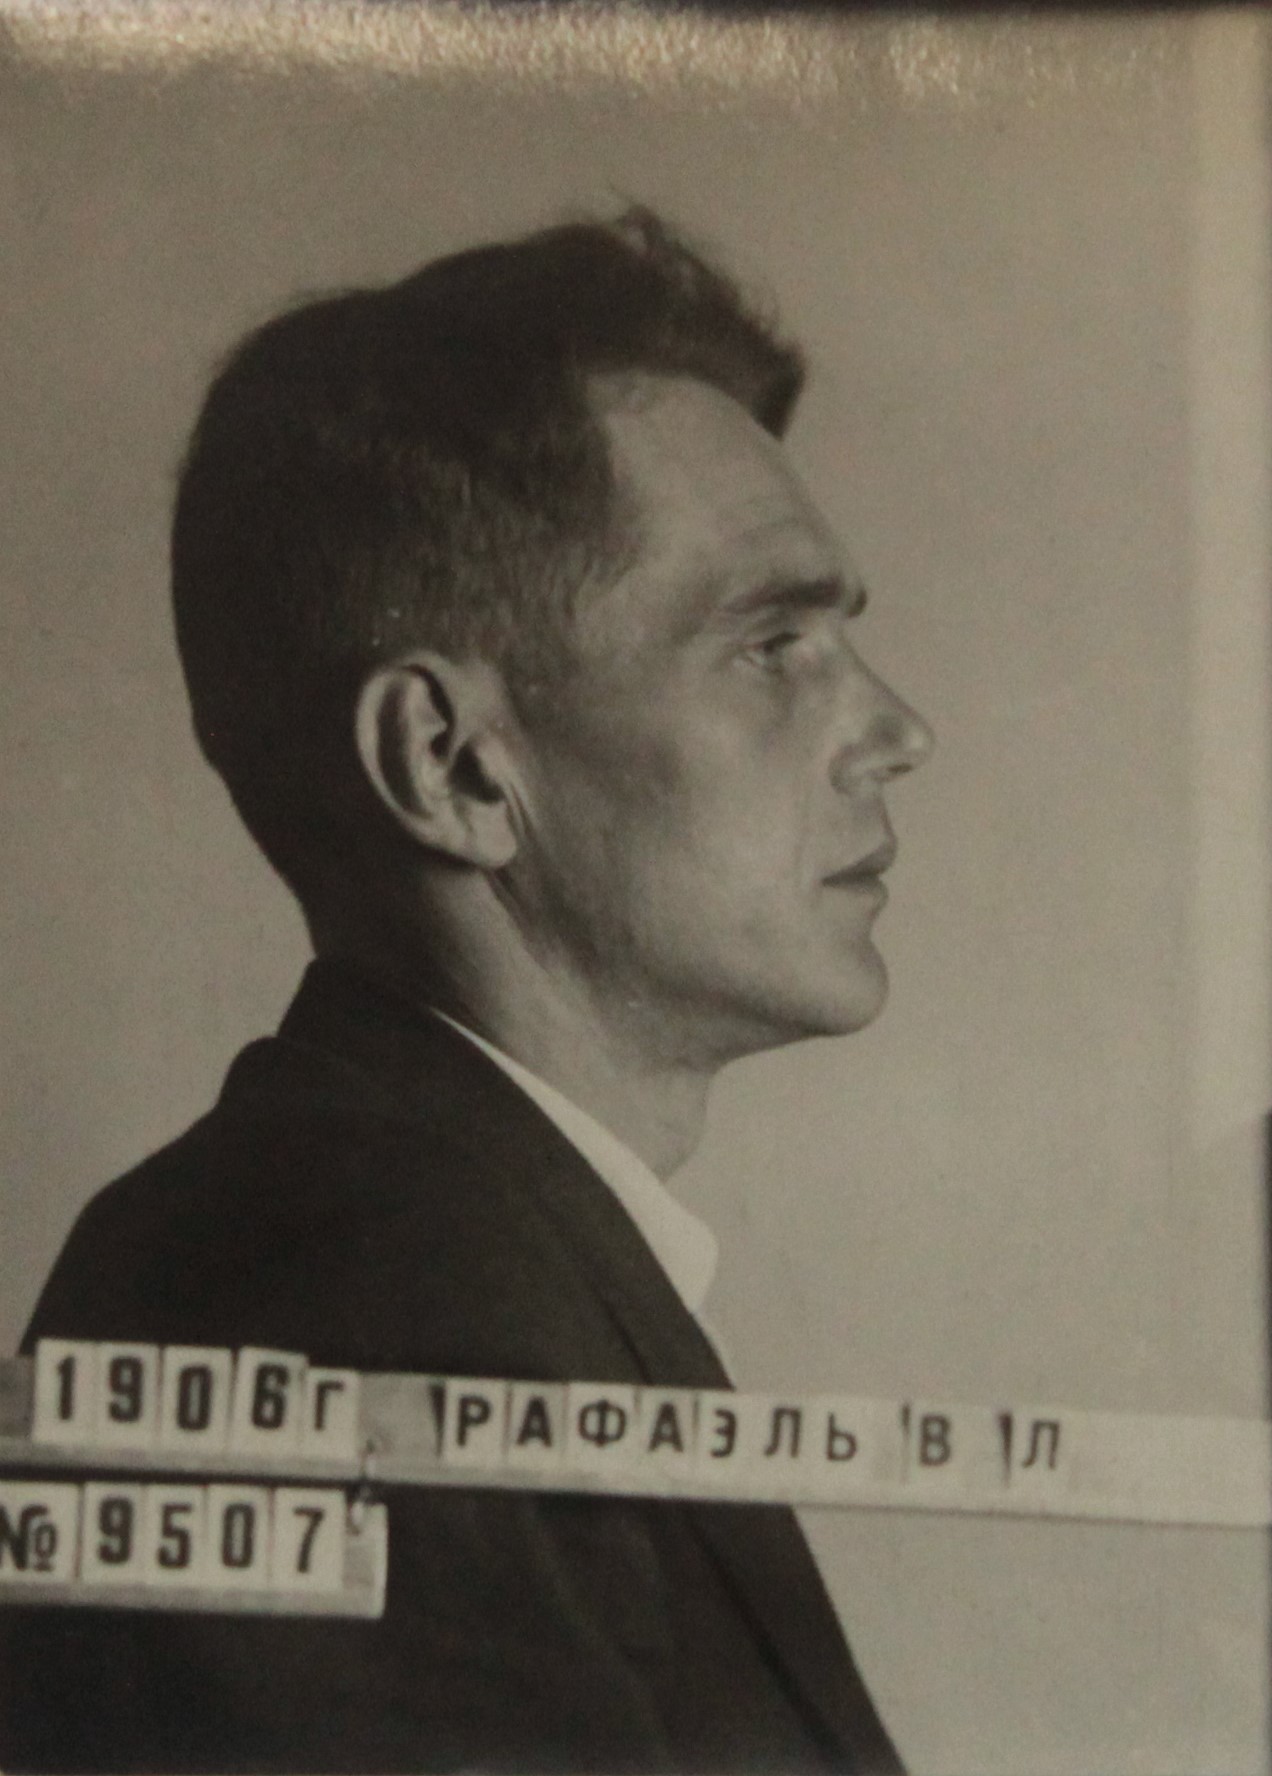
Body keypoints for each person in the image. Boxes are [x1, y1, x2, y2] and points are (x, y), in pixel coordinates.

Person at [0, 208, 928, 1771]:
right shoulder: (363, 1308)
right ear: (452, 767)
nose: (895, 730)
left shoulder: (437, 1252)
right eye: (771, 643)